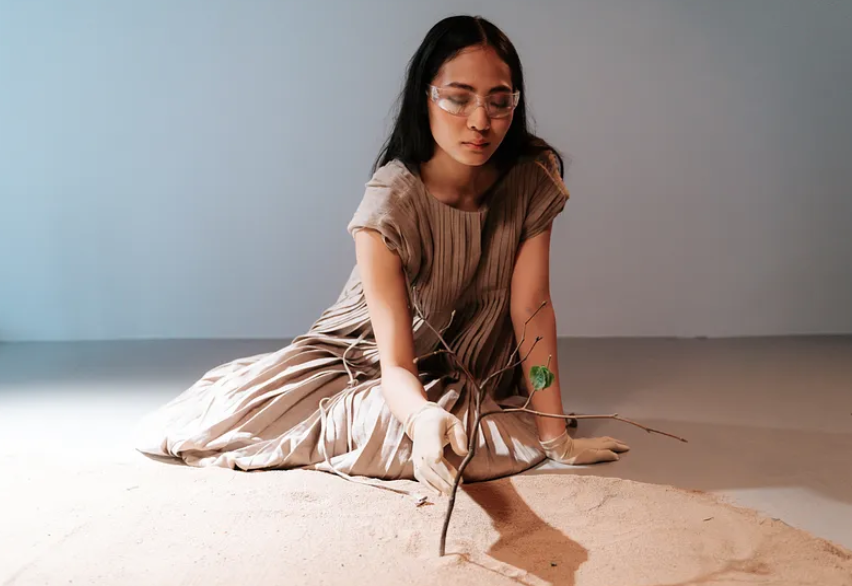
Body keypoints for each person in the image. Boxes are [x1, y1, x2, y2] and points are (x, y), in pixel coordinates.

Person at [134, 15, 629, 497]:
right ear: (426, 98)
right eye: (458, 99)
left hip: (465, 366)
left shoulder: (530, 178)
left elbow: (532, 312)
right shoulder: (388, 203)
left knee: (489, 440)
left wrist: (554, 433)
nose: (481, 122)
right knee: (417, 439)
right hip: (364, 359)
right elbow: (394, 362)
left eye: (500, 103)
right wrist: (420, 415)